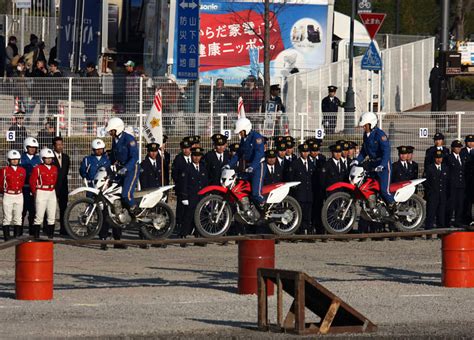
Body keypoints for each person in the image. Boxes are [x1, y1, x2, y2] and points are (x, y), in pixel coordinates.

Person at [352, 112, 396, 211]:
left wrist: (382, 165)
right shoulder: (366, 135)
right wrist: (357, 161)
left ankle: (394, 206)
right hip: (373, 164)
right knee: (370, 186)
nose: (363, 127)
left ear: (371, 124)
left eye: (365, 125)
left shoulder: (380, 134)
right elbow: (364, 150)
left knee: (384, 190)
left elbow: (386, 151)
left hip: (383, 165)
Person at [227, 117, 266, 208]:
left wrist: (252, 167)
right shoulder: (244, 139)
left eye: (241, 132)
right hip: (248, 168)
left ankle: (265, 208)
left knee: (256, 193)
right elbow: (238, 154)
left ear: (246, 129)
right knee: (242, 188)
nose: (240, 134)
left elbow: (259, 154)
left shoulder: (257, 138)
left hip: (258, 167)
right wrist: (228, 165)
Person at [106, 117, 139, 216]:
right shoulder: (115, 140)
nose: (110, 133)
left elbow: (134, 157)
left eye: (111, 130)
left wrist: (126, 168)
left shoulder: (129, 139)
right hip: (120, 169)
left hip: (131, 169)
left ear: (117, 129)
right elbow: (113, 155)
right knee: (114, 191)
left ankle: (137, 212)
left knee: (126, 194)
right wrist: (107, 166)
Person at [178, 147, 209, 246]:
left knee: (200, 217)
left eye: (198, 156)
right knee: (188, 217)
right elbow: (183, 184)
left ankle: (198, 237)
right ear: (192, 156)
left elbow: (205, 184)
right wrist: (184, 197)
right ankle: (183, 236)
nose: (196, 158)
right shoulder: (187, 168)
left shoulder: (203, 168)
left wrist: (207, 197)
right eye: (195, 155)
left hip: (201, 197)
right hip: (191, 196)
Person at [30, 148, 58, 239]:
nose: (49, 159)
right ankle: (36, 236)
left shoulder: (54, 168)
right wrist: (35, 193)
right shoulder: (37, 168)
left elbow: (55, 180)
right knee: (39, 215)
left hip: (51, 192)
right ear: (42, 158)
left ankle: (50, 236)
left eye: (50, 158)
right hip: (41, 191)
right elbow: (32, 181)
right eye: (46, 158)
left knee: (52, 215)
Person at [288, 143, 314, 234]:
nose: (305, 154)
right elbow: (291, 179)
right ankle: (300, 231)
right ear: (300, 152)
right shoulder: (295, 164)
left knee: (308, 214)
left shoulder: (311, 163)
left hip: (309, 194)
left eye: (307, 152)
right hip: (299, 194)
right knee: (299, 214)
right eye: (303, 152)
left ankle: (309, 231)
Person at [1, 150, 26, 241]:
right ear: (9, 160)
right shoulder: (4, 170)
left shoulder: (22, 170)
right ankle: (7, 237)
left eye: (17, 159)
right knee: (7, 217)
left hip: (19, 194)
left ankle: (17, 236)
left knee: (18, 217)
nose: (15, 161)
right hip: (8, 195)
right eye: (13, 159)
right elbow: (1, 183)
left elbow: (22, 182)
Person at [20, 137, 41, 236]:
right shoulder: (20, 158)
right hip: (23, 187)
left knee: (33, 210)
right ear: (26, 147)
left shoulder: (39, 159)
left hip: (34, 188)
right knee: (22, 210)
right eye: (30, 147)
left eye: (34, 147)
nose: (32, 149)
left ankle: (32, 231)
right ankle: (18, 231)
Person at [424, 150, 449, 231]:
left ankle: (440, 232)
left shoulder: (445, 168)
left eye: (440, 158)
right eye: (437, 158)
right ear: (434, 158)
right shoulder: (429, 168)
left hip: (442, 195)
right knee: (431, 214)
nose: (439, 160)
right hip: (433, 195)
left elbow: (448, 181)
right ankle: (429, 232)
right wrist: (430, 192)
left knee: (441, 214)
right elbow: (426, 181)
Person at [172, 138, 193, 234]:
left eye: (187, 148)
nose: (185, 150)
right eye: (183, 148)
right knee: (181, 208)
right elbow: (175, 174)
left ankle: (190, 227)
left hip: (192, 189)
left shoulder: (194, 157)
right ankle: (179, 224)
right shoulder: (178, 159)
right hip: (182, 189)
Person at [51, 137, 70, 236]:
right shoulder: (50, 157)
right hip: (53, 187)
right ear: (54, 146)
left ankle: (64, 228)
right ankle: (49, 229)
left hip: (63, 187)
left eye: (61, 144)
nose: (60, 146)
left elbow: (65, 172)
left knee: (64, 208)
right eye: (58, 144)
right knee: (50, 209)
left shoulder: (66, 157)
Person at [446, 140, 465, 228]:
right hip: (453, 184)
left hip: (461, 184)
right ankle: (448, 221)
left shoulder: (461, 157)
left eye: (459, 147)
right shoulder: (449, 158)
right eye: (456, 147)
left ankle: (458, 220)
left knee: (460, 204)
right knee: (451, 204)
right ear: (452, 148)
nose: (458, 149)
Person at [84, 62, 100, 133]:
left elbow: (89, 85)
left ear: (92, 68)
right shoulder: (89, 74)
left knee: (91, 112)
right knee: (88, 112)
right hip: (88, 96)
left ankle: (91, 129)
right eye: (87, 67)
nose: (87, 68)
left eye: (88, 67)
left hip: (92, 96)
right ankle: (89, 127)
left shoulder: (94, 75)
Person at [461, 135, 474, 223]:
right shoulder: (462, 152)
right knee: (466, 201)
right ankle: (466, 219)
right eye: (469, 141)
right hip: (465, 180)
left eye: (472, 141)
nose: (470, 143)